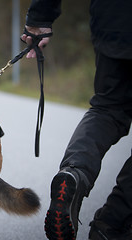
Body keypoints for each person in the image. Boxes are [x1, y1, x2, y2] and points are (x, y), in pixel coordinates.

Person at [21, 0, 132, 239]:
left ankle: (74, 174)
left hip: (114, 20)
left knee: (108, 108)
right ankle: (112, 222)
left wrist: (40, 16)